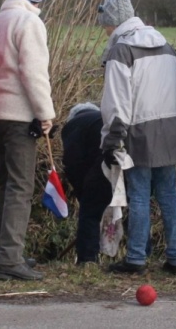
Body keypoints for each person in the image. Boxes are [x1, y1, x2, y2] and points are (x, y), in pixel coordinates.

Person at [99, 0, 176, 275]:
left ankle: (136, 258)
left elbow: (117, 100)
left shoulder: (122, 50)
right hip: (172, 131)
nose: (106, 31)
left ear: (114, 22)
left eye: (106, 26)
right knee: (168, 194)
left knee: (138, 194)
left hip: (138, 132)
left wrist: (113, 138)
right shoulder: (166, 46)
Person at [0, 0, 56, 281]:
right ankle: (10, 258)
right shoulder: (29, 22)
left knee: (7, 183)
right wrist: (45, 113)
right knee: (21, 186)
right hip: (19, 114)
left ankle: (4, 250)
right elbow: (33, 72)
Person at [61, 102, 112, 264]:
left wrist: (82, 193)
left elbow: (72, 163)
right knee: (134, 206)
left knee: (89, 212)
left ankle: (87, 259)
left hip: (100, 163)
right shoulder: (103, 119)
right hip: (123, 159)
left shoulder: (72, 126)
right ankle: (140, 254)